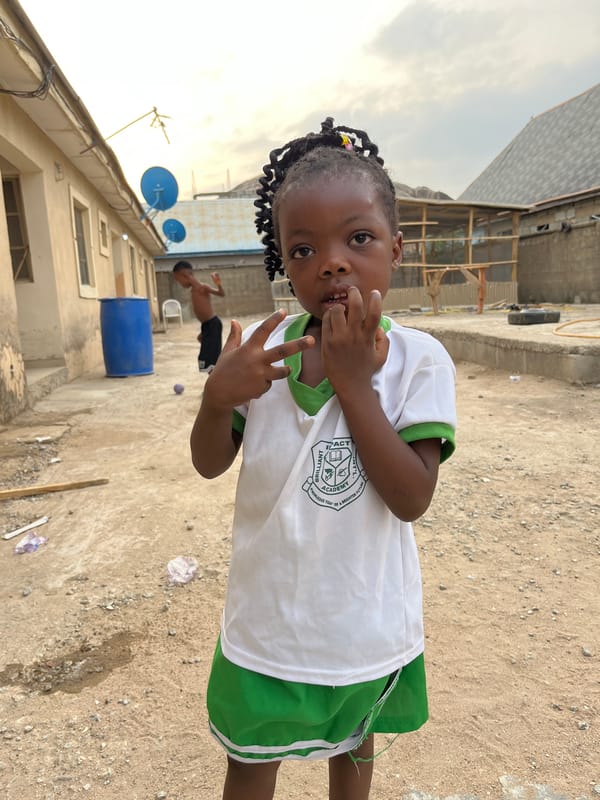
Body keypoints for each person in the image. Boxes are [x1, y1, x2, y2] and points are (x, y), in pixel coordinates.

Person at [189, 118, 457, 800]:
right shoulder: (267, 353)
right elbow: (209, 464)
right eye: (303, 249)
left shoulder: (418, 363)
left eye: (358, 238)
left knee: (354, 747)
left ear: (396, 248)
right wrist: (217, 400)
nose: (332, 262)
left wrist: (353, 383)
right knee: (249, 761)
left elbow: (411, 497)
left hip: (363, 618)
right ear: (284, 263)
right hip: (268, 619)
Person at [172, 260, 225, 371]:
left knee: (212, 360)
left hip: (212, 324)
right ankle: (214, 381)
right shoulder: (195, 289)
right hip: (207, 326)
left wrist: (218, 284)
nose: (180, 283)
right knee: (206, 359)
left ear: (185, 275)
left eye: (179, 280)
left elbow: (221, 294)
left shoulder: (201, 288)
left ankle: (218, 383)